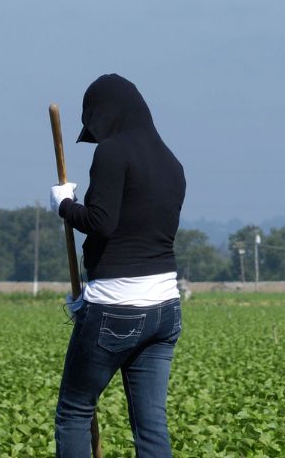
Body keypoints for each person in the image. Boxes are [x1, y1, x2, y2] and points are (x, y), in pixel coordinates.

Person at [51, 73, 187, 458]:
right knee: (150, 424)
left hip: (116, 307)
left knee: (74, 411)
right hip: (165, 308)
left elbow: (101, 222)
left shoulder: (112, 152)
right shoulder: (171, 162)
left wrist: (63, 205)